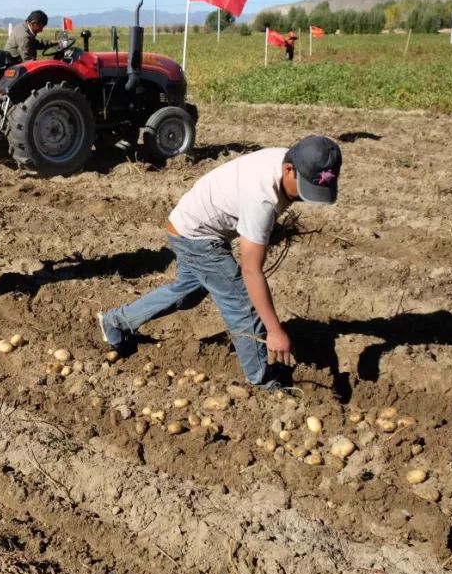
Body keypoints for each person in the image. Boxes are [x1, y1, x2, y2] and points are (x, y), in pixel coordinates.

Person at [98, 136, 343, 390]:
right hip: (196, 235)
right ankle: (261, 382)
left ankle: (116, 322)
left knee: (188, 292)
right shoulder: (262, 199)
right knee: (243, 305)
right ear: (289, 169)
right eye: (303, 190)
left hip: (188, 223)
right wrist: (274, 330)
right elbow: (251, 271)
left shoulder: (290, 157)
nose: (303, 198)